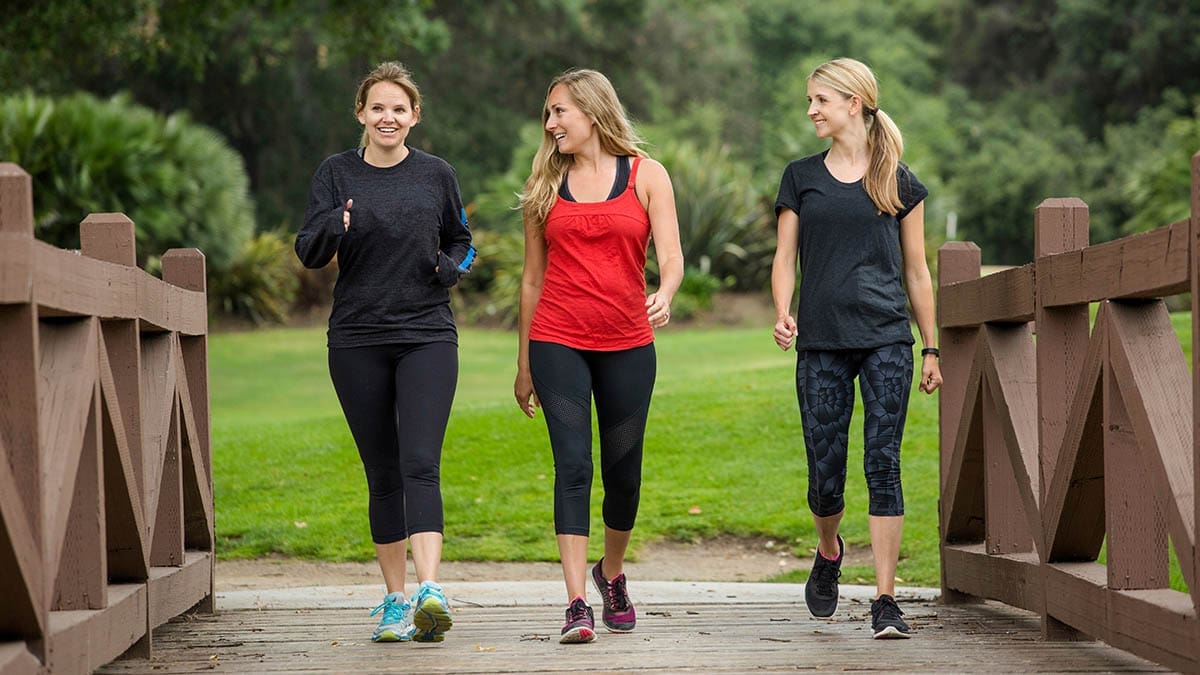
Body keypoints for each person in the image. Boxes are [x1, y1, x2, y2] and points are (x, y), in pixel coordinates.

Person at [294, 61, 475, 644]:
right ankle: (395, 602)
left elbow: (462, 240)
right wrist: (335, 226)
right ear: (361, 114)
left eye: (399, 108)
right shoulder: (335, 174)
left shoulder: (436, 174)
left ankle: (430, 591)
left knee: (421, 461)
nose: (388, 116)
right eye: (378, 108)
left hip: (426, 334)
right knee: (383, 473)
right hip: (356, 339)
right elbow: (308, 251)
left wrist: (448, 268)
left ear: (414, 116)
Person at [770, 57, 941, 640]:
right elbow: (784, 257)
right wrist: (783, 311)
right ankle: (829, 548)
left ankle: (886, 599)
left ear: (854, 103)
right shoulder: (800, 176)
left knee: (883, 464)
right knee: (825, 476)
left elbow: (917, 272)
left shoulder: (899, 180)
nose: (811, 109)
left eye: (820, 99)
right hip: (820, 342)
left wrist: (931, 347)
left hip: (887, 339)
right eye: (810, 100)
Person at [514, 69, 684, 644]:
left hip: (628, 343)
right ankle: (576, 604)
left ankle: (610, 574)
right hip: (557, 338)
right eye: (548, 112)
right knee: (573, 466)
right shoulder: (544, 182)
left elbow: (673, 255)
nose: (551, 122)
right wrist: (523, 364)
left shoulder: (646, 175)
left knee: (623, 474)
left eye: (559, 111)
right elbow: (532, 280)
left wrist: (664, 292)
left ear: (591, 111)